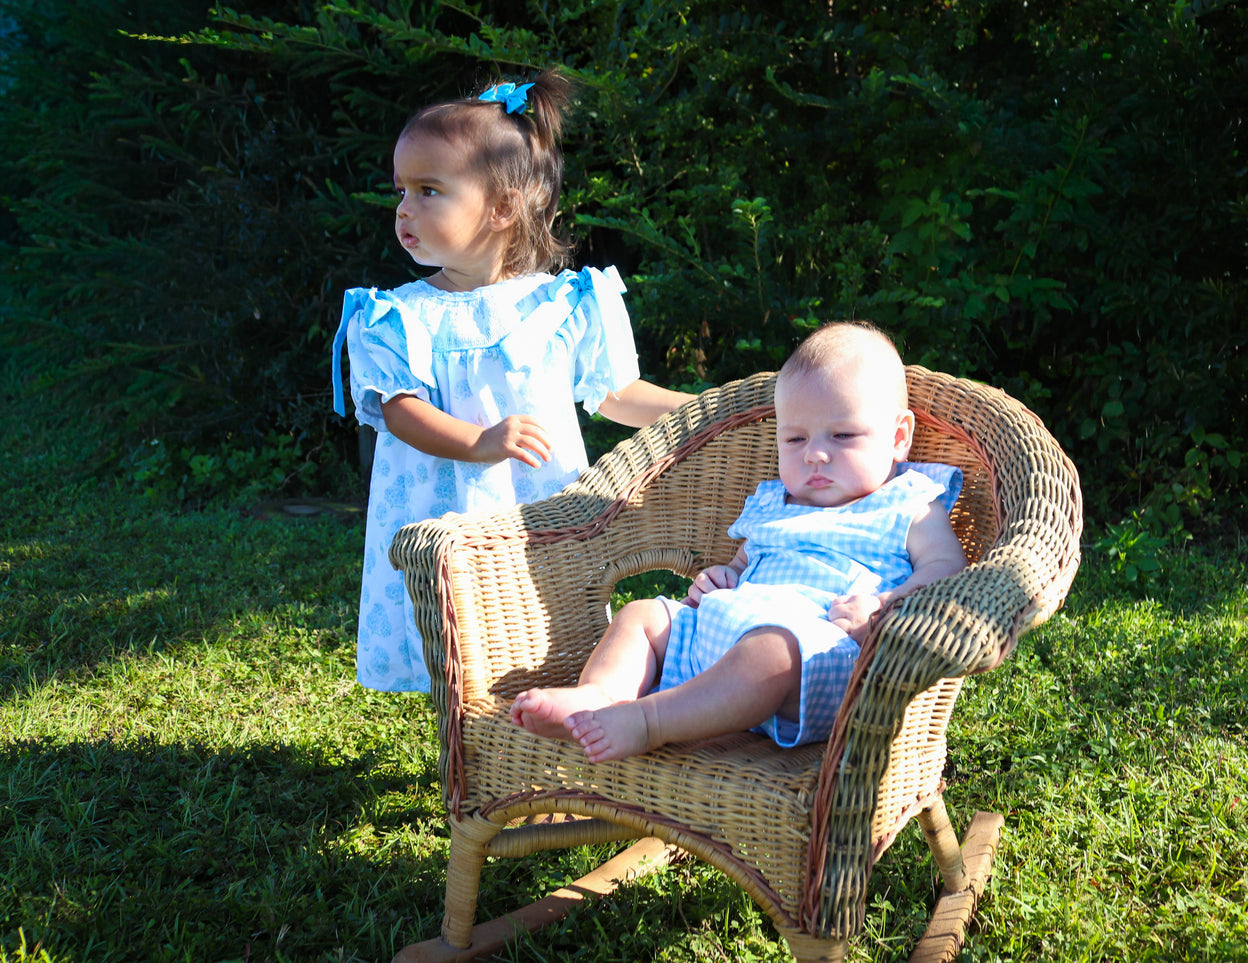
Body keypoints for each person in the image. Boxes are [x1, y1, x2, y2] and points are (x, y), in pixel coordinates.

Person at [330, 70, 693, 693]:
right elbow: (400, 411)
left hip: (537, 507)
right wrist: (479, 443)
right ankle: (468, 749)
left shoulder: (564, 305)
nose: (403, 208)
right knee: (457, 644)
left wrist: (698, 409)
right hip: (440, 518)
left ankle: (542, 732)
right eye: (401, 191)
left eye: (428, 190)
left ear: (502, 207)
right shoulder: (397, 316)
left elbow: (613, 393)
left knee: (539, 627)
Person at [509, 322, 969, 762]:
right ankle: (600, 697)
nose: (815, 453)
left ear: (898, 437)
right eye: (795, 438)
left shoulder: (908, 503)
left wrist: (885, 606)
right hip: (726, 632)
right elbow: (743, 563)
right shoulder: (775, 503)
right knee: (643, 616)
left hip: (814, 657)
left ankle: (648, 720)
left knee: (770, 652)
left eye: (843, 435)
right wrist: (722, 576)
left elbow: (946, 568)